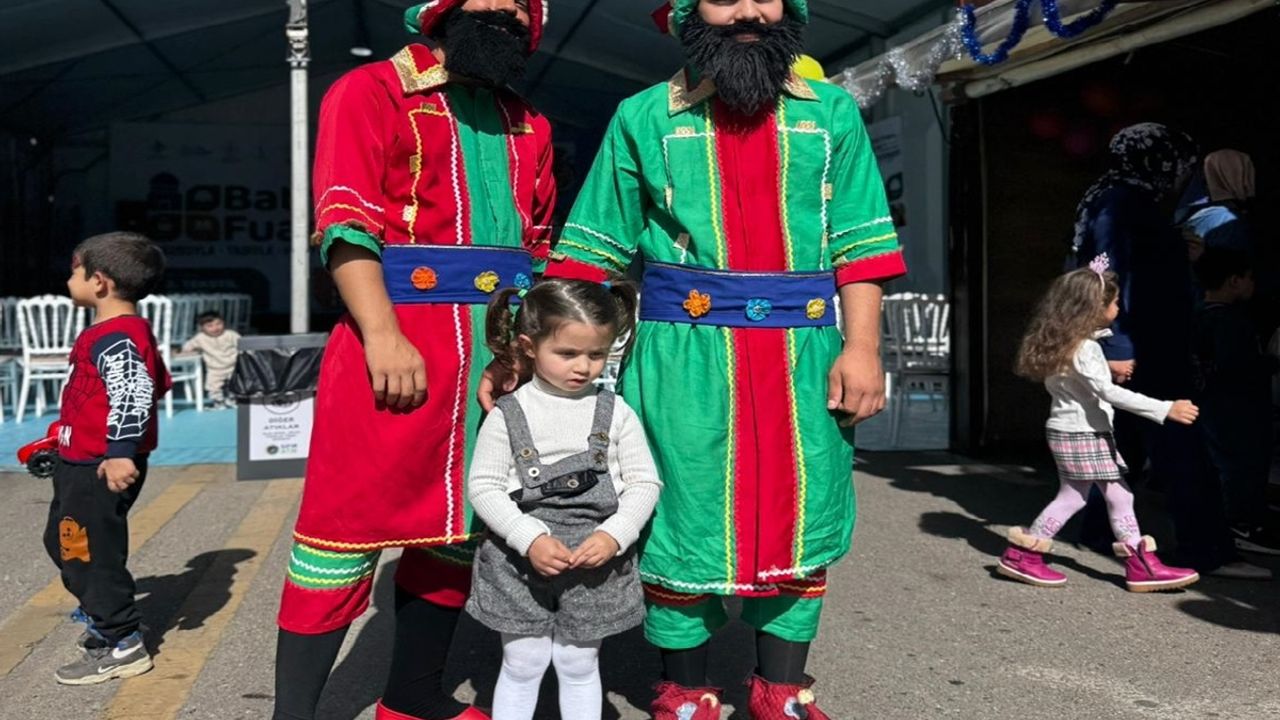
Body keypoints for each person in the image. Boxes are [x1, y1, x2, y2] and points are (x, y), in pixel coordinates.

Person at [486, 2, 908, 716]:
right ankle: (685, 690)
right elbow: (591, 252)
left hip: (804, 357)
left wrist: (862, 348)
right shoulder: (643, 117)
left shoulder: (831, 113)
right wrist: (523, 354)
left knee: (804, 511)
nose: (749, 11)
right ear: (687, 10)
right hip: (681, 360)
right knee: (680, 514)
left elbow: (860, 246)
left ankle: (781, 689)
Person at [271, 2, 556, 719]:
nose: (499, 8)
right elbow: (346, 222)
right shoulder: (370, 91)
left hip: (497, 357)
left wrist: (525, 351)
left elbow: (537, 246)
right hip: (400, 339)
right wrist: (381, 334)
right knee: (341, 532)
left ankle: (412, 697)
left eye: (517, 3)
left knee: (462, 527)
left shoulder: (529, 121)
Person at [1068, 123, 1266, 580]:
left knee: (1126, 442)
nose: (1182, 175)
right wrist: (1116, 342)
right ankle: (1206, 549)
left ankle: (1099, 531)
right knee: (1182, 447)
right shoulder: (1121, 202)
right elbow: (1103, 270)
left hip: (1141, 343)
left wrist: (1177, 250)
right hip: (1145, 346)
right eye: (1179, 165)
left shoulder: (1120, 197)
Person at [465, 279, 660, 720]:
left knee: (579, 664)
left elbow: (644, 482)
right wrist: (528, 537)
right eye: (568, 353)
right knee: (523, 662)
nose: (583, 367)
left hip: (595, 562)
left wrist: (615, 534)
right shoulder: (508, 413)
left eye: (596, 354)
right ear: (528, 347)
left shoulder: (616, 411)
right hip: (518, 561)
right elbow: (485, 487)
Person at [999, 260, 1200, 592]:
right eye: (1115, 302)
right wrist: (1165, 408)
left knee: (1111, 495)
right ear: (1094, 308)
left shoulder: (1068, 342)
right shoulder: (1086, 348)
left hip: (1073, 430)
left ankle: (1136, 565)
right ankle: (1025, 554)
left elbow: (1086, 380)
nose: (1118, 308)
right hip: (1084, 432)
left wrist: (1105, 369)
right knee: (1079, 498)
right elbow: (1107, 392)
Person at [46, 231, 170, 684]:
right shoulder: (116, 333)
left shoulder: (117, 335)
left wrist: (119, 452)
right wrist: (63, 435)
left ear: (99, 281)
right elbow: (147, 385)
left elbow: (135, 392)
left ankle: (122, 641)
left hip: (99, 465)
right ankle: (106, 610)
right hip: (79, 458)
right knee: (63, 542)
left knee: (88, 554)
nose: (69, 279)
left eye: (74, 271)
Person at [1194, 247, 1280, 556]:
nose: (1253, 284)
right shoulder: (1229, 321)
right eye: (1249, 278)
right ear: (1234, 281)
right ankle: (1243, 523)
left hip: (1213, 402)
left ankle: (1240, 516)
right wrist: (1270, 362)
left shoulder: (1199, 313)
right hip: (1238, 407)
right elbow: (1237, 365)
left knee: (1227, 464)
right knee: (1243, 466)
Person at [181, 310, 241, 408]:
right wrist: (192, 350)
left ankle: (232, 399)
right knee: (213, 386)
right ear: (202, 328)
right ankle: (218, 402)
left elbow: (243, 344)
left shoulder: (230, 334)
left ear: (223, 323)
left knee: (236, 384)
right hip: (214, 368)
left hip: (233, 365)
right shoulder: (200, 338)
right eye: (210, 326)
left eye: (219, 324)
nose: (215, 328)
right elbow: (187, 347)